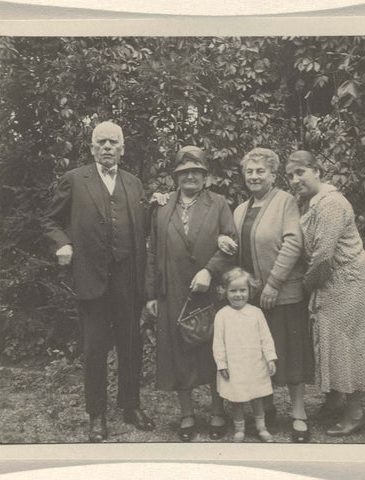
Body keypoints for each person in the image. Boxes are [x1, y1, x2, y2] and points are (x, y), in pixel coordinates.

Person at [42, 121, 155, 442]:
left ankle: (130, 406)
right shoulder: (75, 180)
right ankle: (97, 415)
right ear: (92, 148)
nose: (107, 147)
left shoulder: (134, 184)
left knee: (131, 345)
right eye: (101, 142)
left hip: (127, 280)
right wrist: (62, 244)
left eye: (113, 142)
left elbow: (142, 229)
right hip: (90, 278)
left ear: (122, 148)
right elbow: (50, 220)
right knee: (94, 349)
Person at [285, 150, 365, 436]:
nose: (295, 179)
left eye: (300, 172)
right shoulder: (309, 203)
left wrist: (306, 285)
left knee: (347, 342)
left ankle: (355, 413)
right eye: (291, 175)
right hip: (331, 279)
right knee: (329, 339)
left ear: (316, 171)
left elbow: (323, 255)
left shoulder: (331, 203)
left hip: (347, 279)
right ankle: (334, 400)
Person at [218, 147, 314, 443]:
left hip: (284, 292)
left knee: (291, 353)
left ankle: (299, 414)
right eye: (250, 171)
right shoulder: (239, 209)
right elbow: (233, 245)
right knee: (258, 354)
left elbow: (292, 242)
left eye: (261, 171)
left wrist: (273, 283)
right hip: (254, 299)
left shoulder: (286, 202)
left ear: (273, 175)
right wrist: (223, 240)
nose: (255, 176)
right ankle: (266, 410)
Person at [145, 145, 237, 442]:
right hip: (172, 290)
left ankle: (217, 412)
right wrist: (150, 295)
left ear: (205, 176)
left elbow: (231, 243)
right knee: (178, 352)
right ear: (176, 176)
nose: (190, 177)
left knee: (213, 352)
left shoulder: (219, 203)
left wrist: (210, 271)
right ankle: (186, 413)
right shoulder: (161, 207)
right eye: (184, 172)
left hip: (209, 292)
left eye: (196, 171)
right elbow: (152, 253)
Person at [213, 267, 277, 443]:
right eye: (233, 291)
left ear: (250, 290)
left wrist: (270, 358)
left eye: (242, 290)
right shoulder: (222, 315)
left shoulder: (256, 313)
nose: (238, 295)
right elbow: (218, 343)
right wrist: (222, 364)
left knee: (257, 396)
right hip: (234, 365)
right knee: (237, 398)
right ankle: (239, 429)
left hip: (254, 363)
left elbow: (266, 337)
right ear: (225, 292)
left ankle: (261, 427)